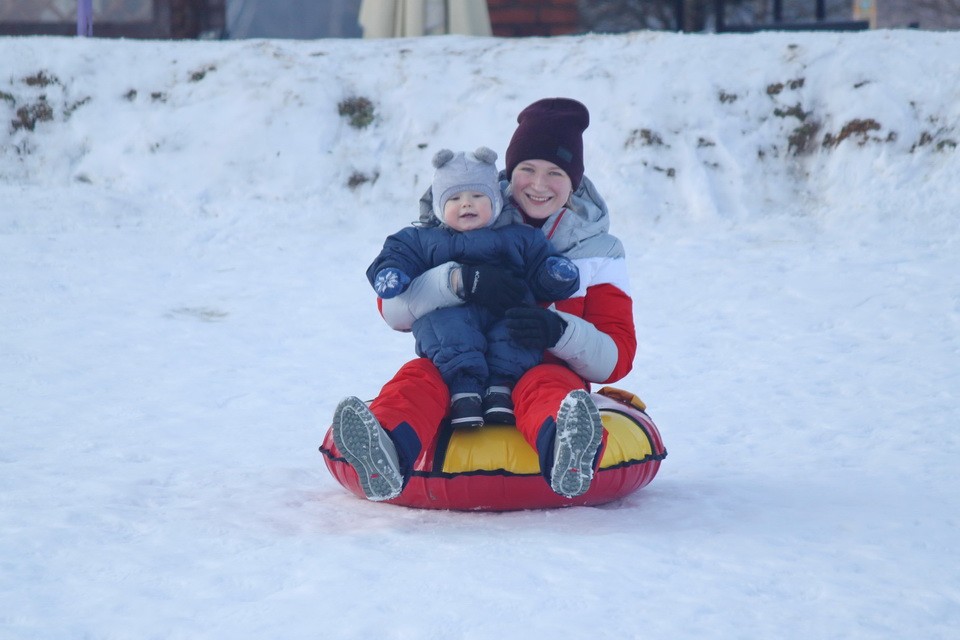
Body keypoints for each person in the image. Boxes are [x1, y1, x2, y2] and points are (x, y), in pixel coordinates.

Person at [329, 97, 636, 502]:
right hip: (457, 361)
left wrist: (558, 331)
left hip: (538, 369)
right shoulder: (467, 208)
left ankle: (567, 448)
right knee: (417, 381)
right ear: (510, 171)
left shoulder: (599, 251)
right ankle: (382, 447)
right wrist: (458, 282)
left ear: (574, 180)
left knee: (546, 385)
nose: (539, 185)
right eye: (527, 169)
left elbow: (616, 357)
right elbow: (393, 312)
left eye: (555, 172)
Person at [366, 146, 580, 428]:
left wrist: (556, 275)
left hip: (507, 308)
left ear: (495, 202)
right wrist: (390, 272)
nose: (466, 204)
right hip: (450, 313)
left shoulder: (517, 236)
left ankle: (500, 393)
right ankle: (464, 394)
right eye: (454, 198)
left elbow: (541, 261)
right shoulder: (425, 238)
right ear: (440, 207)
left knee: (515, 331)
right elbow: (398, 252)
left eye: (477, 196)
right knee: (449, 329)